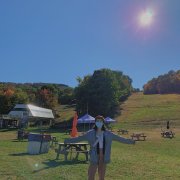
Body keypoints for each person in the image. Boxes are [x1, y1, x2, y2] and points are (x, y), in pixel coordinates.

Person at [64, 115, 135, 180]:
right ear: (95, 122)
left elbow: (120, 138)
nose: (99, 122)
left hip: (104, 157)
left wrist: (130, 141)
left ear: (103, 122)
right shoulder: (90, 133)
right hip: (94, 156)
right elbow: (79, 138)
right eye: (97, 121)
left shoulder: (108, 133)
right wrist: (67, 140)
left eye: (101, 121)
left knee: (101, 176)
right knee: (91, 175)